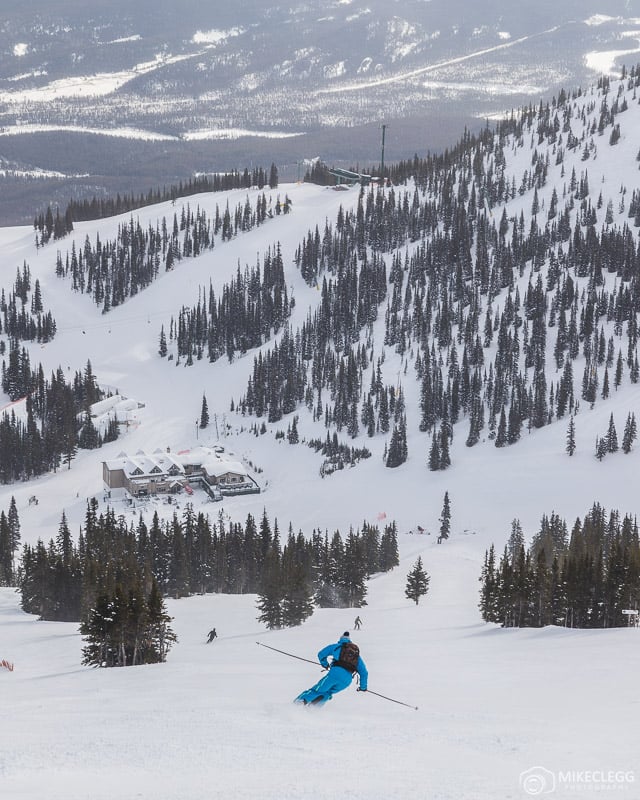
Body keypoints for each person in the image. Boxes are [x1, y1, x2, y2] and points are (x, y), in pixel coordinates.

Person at [294, 632, 367, 707]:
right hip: (346, 681)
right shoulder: (356, 657)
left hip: (335, 674)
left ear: (341, 640)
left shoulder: (337, 646)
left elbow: (321, 654)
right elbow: (364, 672)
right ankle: (313, 709)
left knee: (318, 690)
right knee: (327, 693)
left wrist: (325, 664)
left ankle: (298, 703)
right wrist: (363, 687)